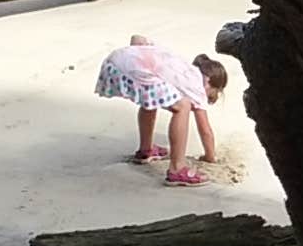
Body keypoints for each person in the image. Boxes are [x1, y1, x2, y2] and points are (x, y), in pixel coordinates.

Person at [95, 34, 228, 186]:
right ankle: (177, 169)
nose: (212, 95)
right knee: (183, 105)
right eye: (216, 91)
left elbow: (137, 38)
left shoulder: (180, 65)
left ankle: (146, 150)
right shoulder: (198, 87)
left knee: (150, 96)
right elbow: (205, 131)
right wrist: (210, 157)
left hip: (115, 62)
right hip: (135, 70)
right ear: (209, 82)